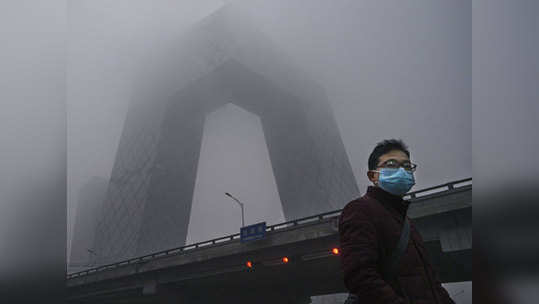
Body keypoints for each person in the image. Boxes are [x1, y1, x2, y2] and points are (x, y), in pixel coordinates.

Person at [339, 139, 455, 304]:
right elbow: (360, 276)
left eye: (407, 166)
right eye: (391, 164)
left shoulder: (406, 222)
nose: (402, 171)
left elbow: (431, 282)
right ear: (373, 176)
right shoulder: (360, 210)